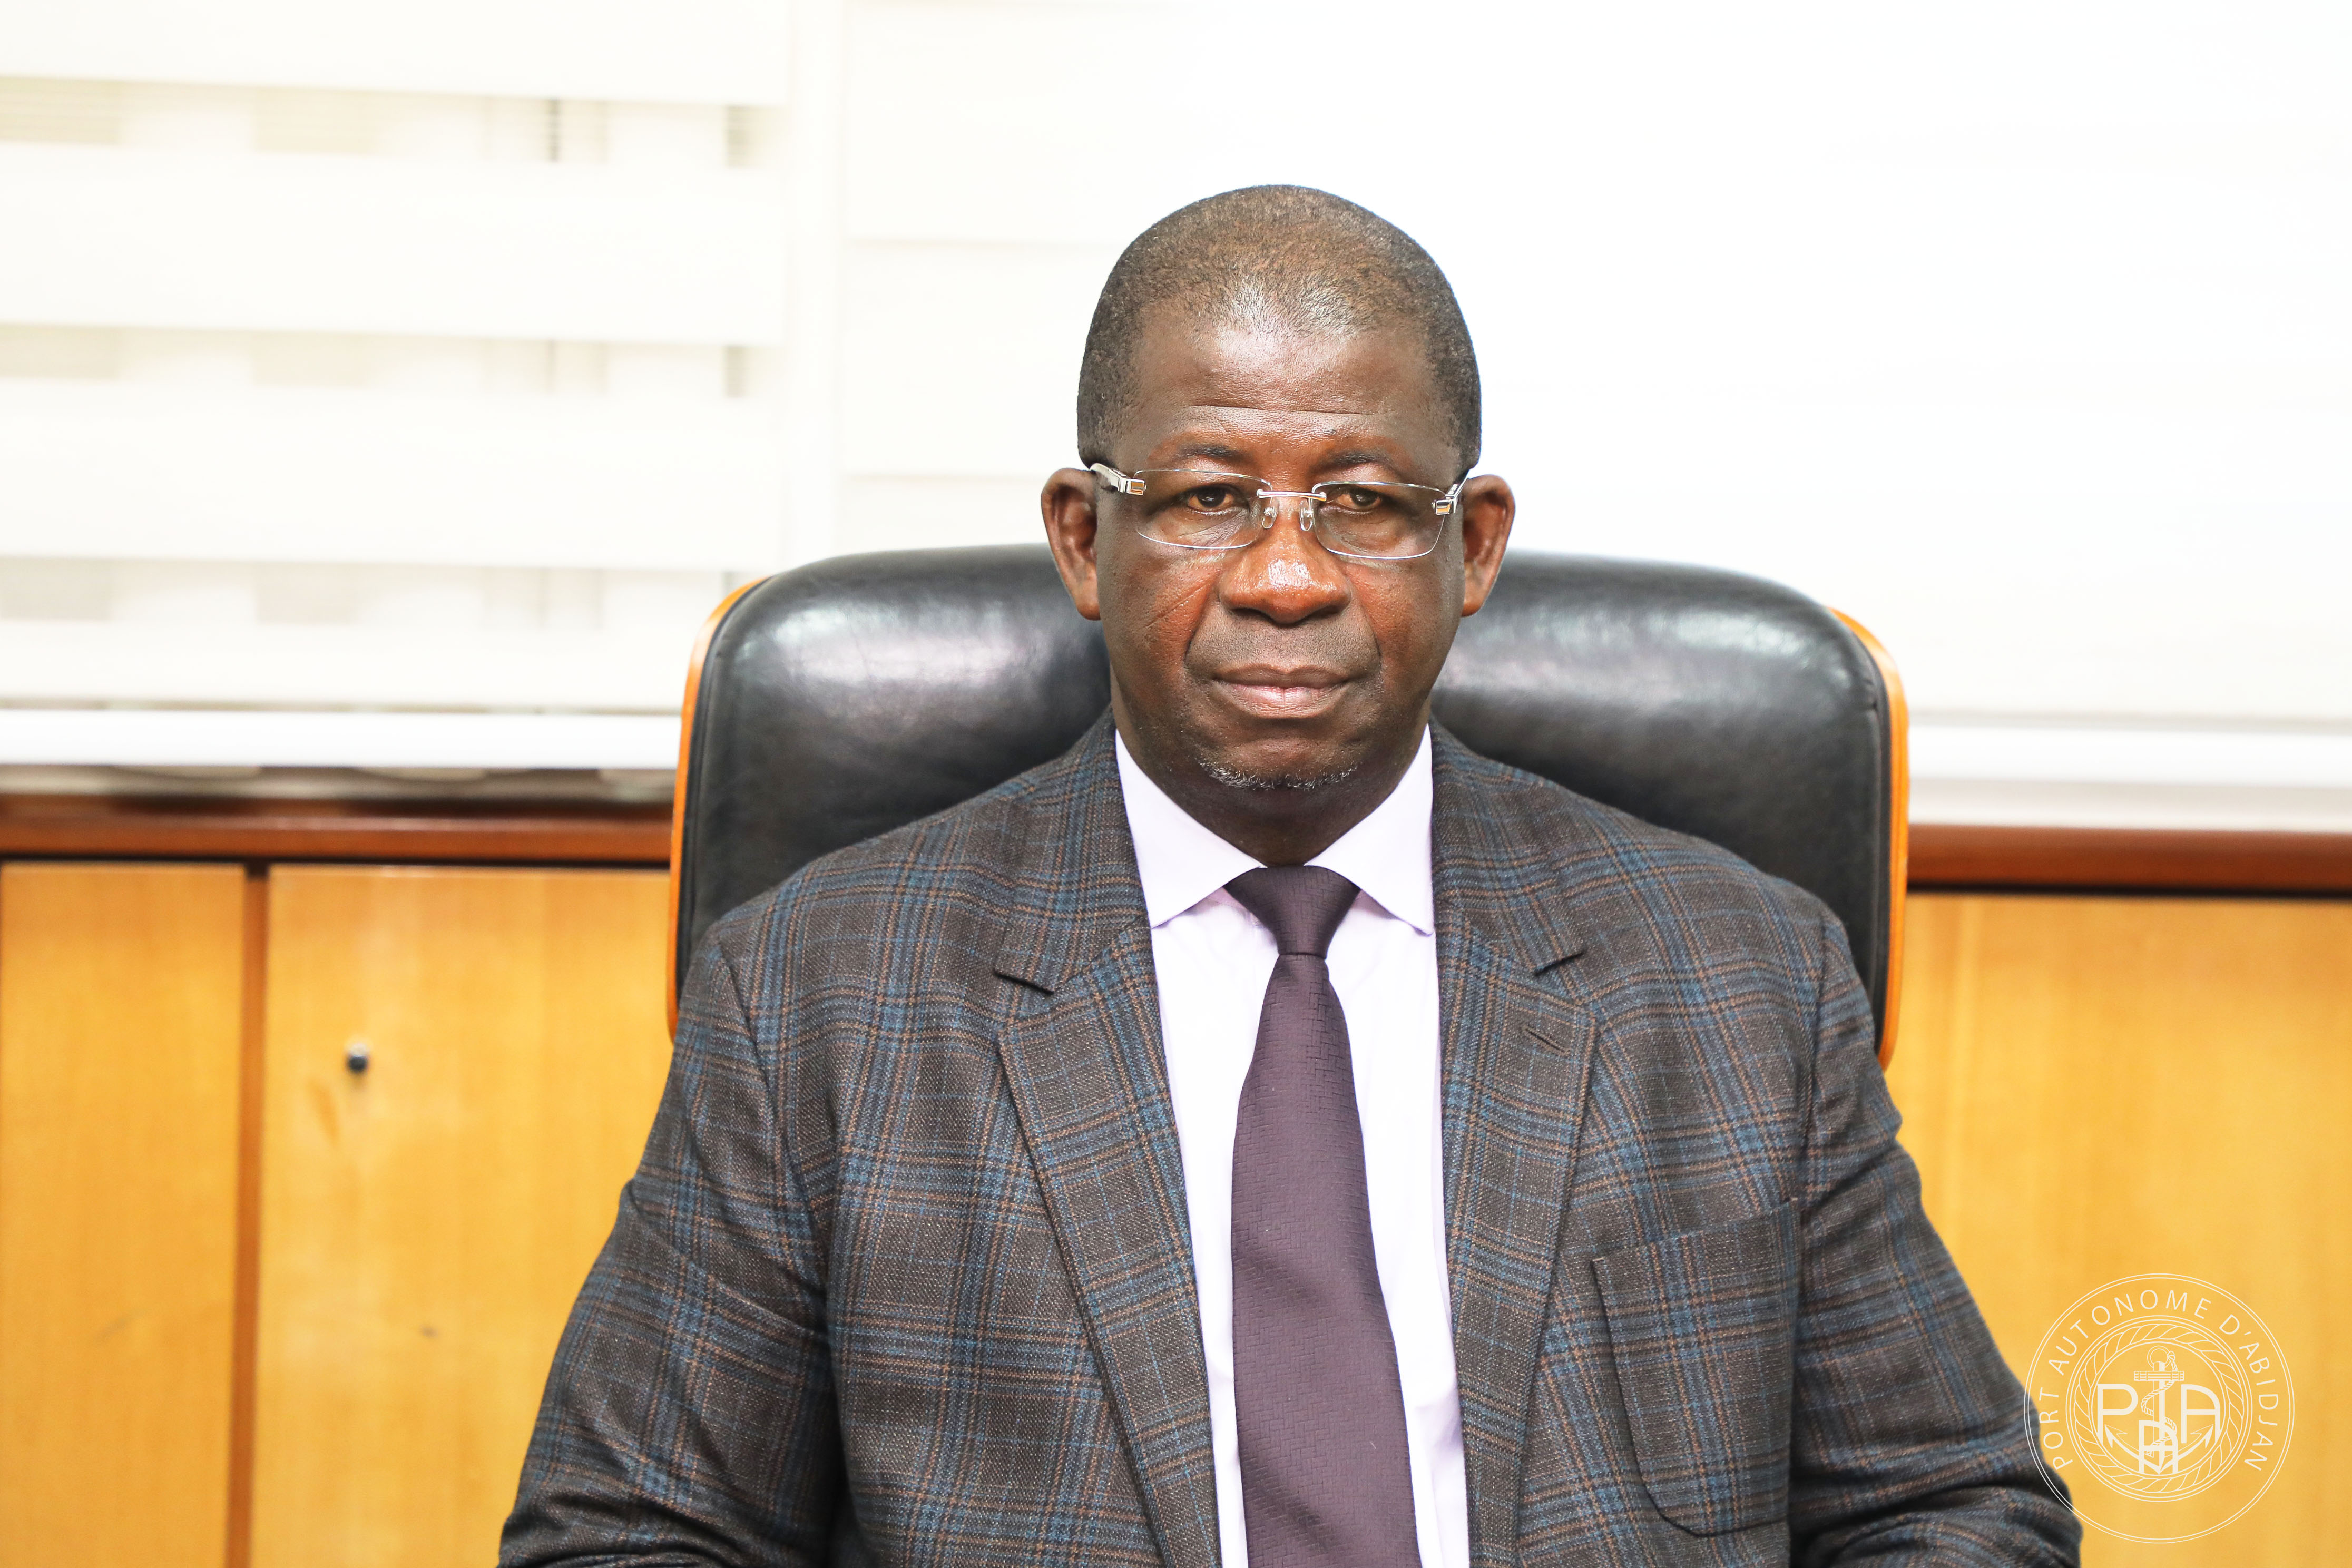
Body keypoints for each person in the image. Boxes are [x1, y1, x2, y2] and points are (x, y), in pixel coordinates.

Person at [504, 186, 2077, 1566]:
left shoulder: (1740, 977)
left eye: (1364, 503)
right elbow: (630, 1533)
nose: (1284, 577)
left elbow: (1950, 1507)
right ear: (1083, 538)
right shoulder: (819, 997)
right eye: (1209, 498)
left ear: (1472, 547)